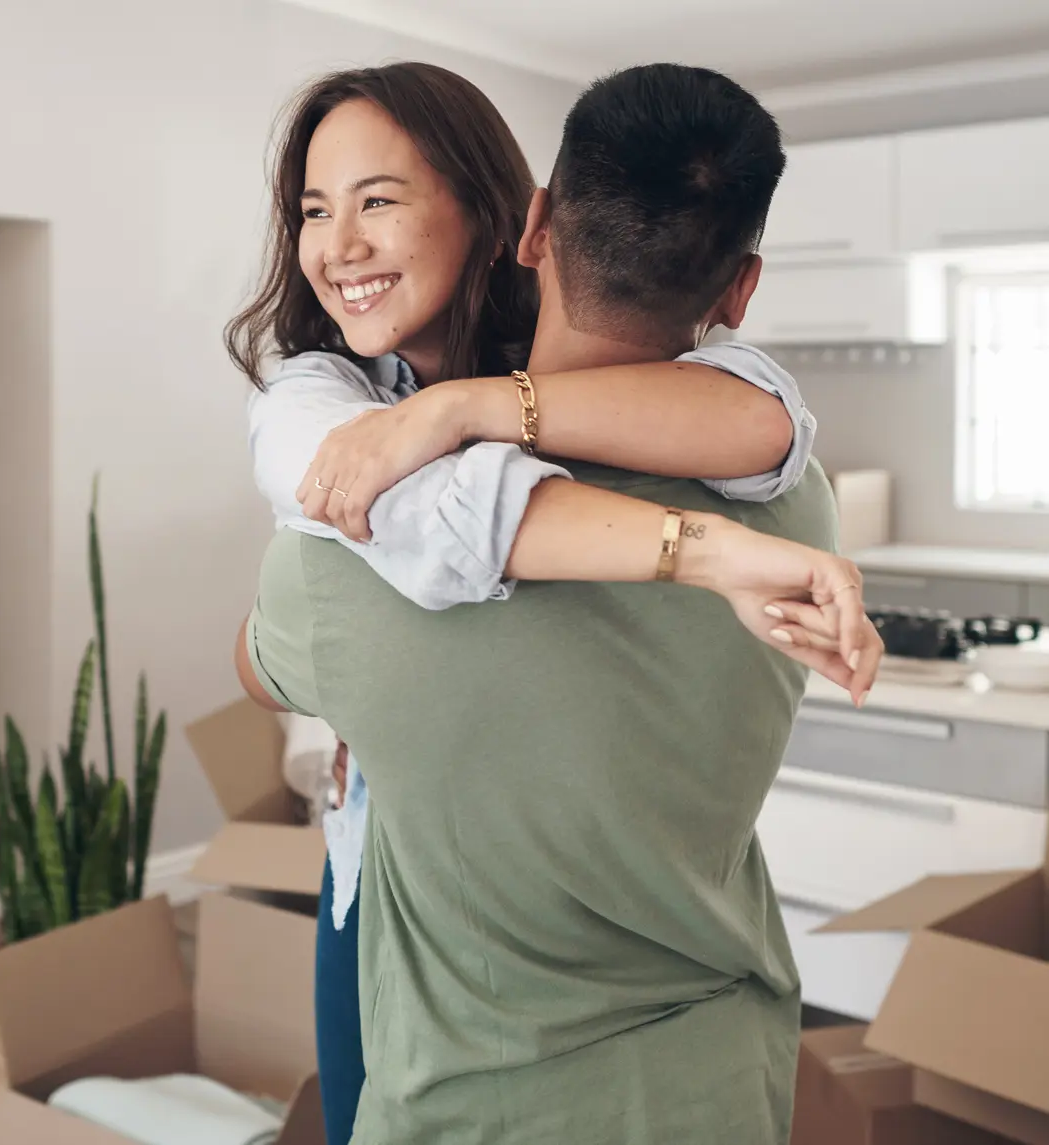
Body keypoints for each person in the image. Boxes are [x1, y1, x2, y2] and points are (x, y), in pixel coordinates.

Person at [226, 61, 877, 1145]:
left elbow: (263, 653)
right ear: (737, 287)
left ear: (522, 224)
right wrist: (702, 546)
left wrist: (462, 416)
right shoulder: (796, 513)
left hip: (465, 1077)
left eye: (377, 199)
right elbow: (768, 426)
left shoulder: (343, 559)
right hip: (717, 1043)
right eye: (313, 208)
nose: (338, 243)